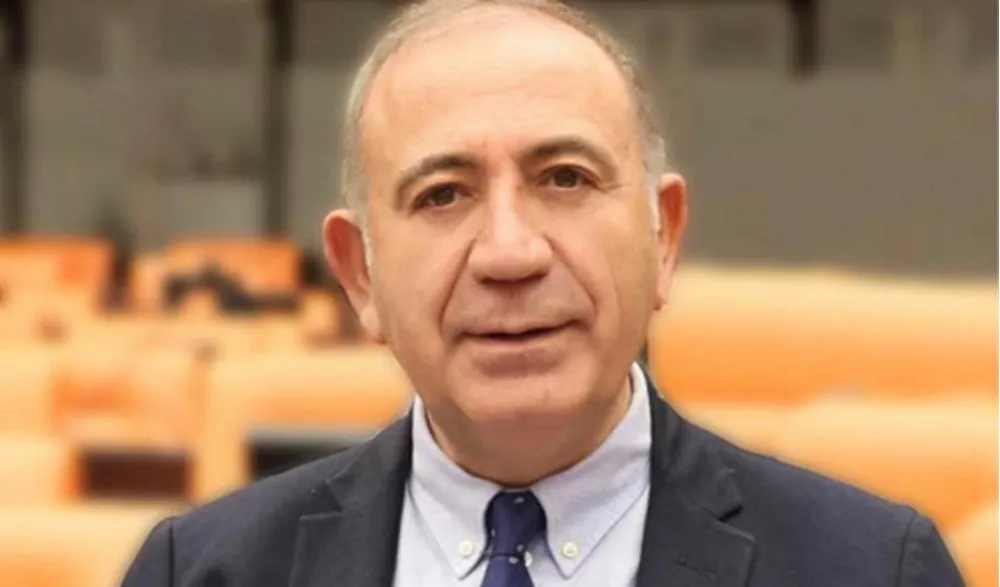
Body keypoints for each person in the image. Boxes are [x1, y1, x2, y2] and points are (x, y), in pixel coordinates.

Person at [121, 1, 965, 585]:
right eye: (443, 194)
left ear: (663, 236)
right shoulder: (200, 572)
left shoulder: (873, 569)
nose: (510, 253)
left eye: (565, 178)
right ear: (359, 274)